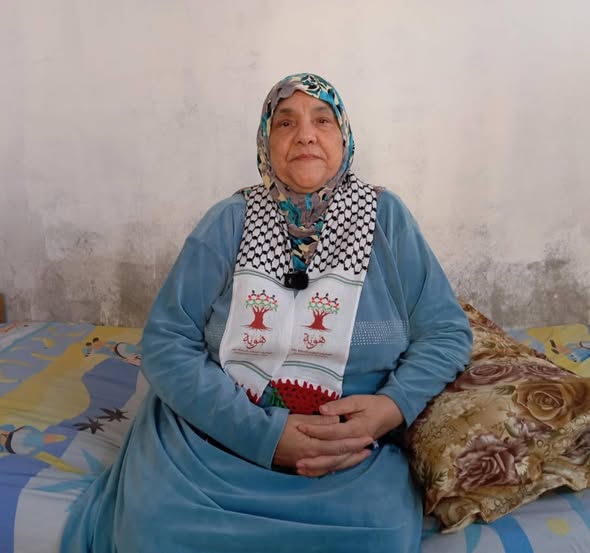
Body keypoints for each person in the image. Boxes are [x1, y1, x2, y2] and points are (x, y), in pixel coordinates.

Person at [60, 73, 473, 553]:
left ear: (344, 138)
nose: (305, 135)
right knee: (153, 528)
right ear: (266, 141)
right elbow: (166, 341)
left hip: (347, 454)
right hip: (213, 440)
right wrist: (265, 435)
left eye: (322, 120)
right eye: (285, 123)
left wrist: (390, 408)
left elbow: (445, 332)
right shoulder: (229, 221)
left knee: (381, 535)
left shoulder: (387, 219)